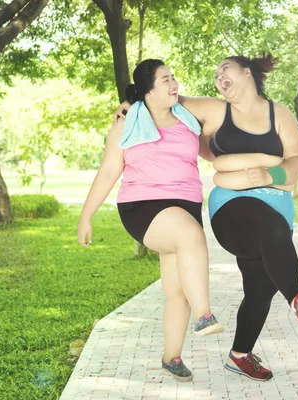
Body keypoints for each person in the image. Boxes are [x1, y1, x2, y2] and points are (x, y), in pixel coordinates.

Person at [116, 54, 298, 382]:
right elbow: (159, 96)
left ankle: (240, 355)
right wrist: (126, 105)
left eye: (225, 70)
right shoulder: (214, 109)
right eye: (216, 74)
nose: (219, 77)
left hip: (276, 204)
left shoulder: (279, 114)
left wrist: (269, 172)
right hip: (232, 206)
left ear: (247, 73)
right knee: (269, 228)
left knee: (261, 288)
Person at [78, 59, 224, 383]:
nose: (173, 83)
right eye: (164, 79)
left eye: (173, 76)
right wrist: (86, 216)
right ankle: (205, 315)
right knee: (190, 237)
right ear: (148, 91)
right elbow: (107, 172)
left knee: (177, 290)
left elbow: (211, 153)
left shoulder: (187, 120)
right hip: (142, 205)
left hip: (185, 203)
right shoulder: (127, 122)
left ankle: (171, 357)